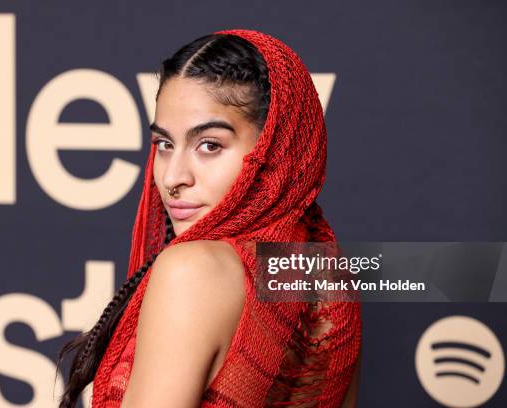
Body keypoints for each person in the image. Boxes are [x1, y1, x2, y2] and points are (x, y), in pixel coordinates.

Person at [57, 29, 362, 407]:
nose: (172, 178)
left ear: (274, 148)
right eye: (164, 144)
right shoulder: (326, 273)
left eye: (209, 145)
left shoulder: (192, 270)